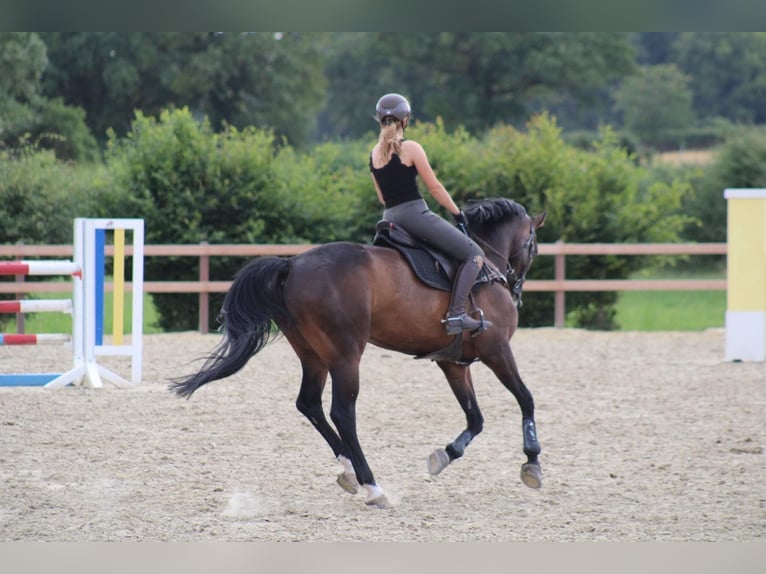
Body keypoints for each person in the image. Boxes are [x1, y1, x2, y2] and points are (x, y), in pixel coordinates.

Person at [369, 93, 491, 335]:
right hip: (414, 214)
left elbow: (382, 198)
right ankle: (456, 314)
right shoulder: (411, 147)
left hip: (388, 219)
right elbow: (434, 186)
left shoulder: (374, 154)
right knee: (474, 254)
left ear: (380, 120)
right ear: (405, 120)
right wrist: (457, 214)